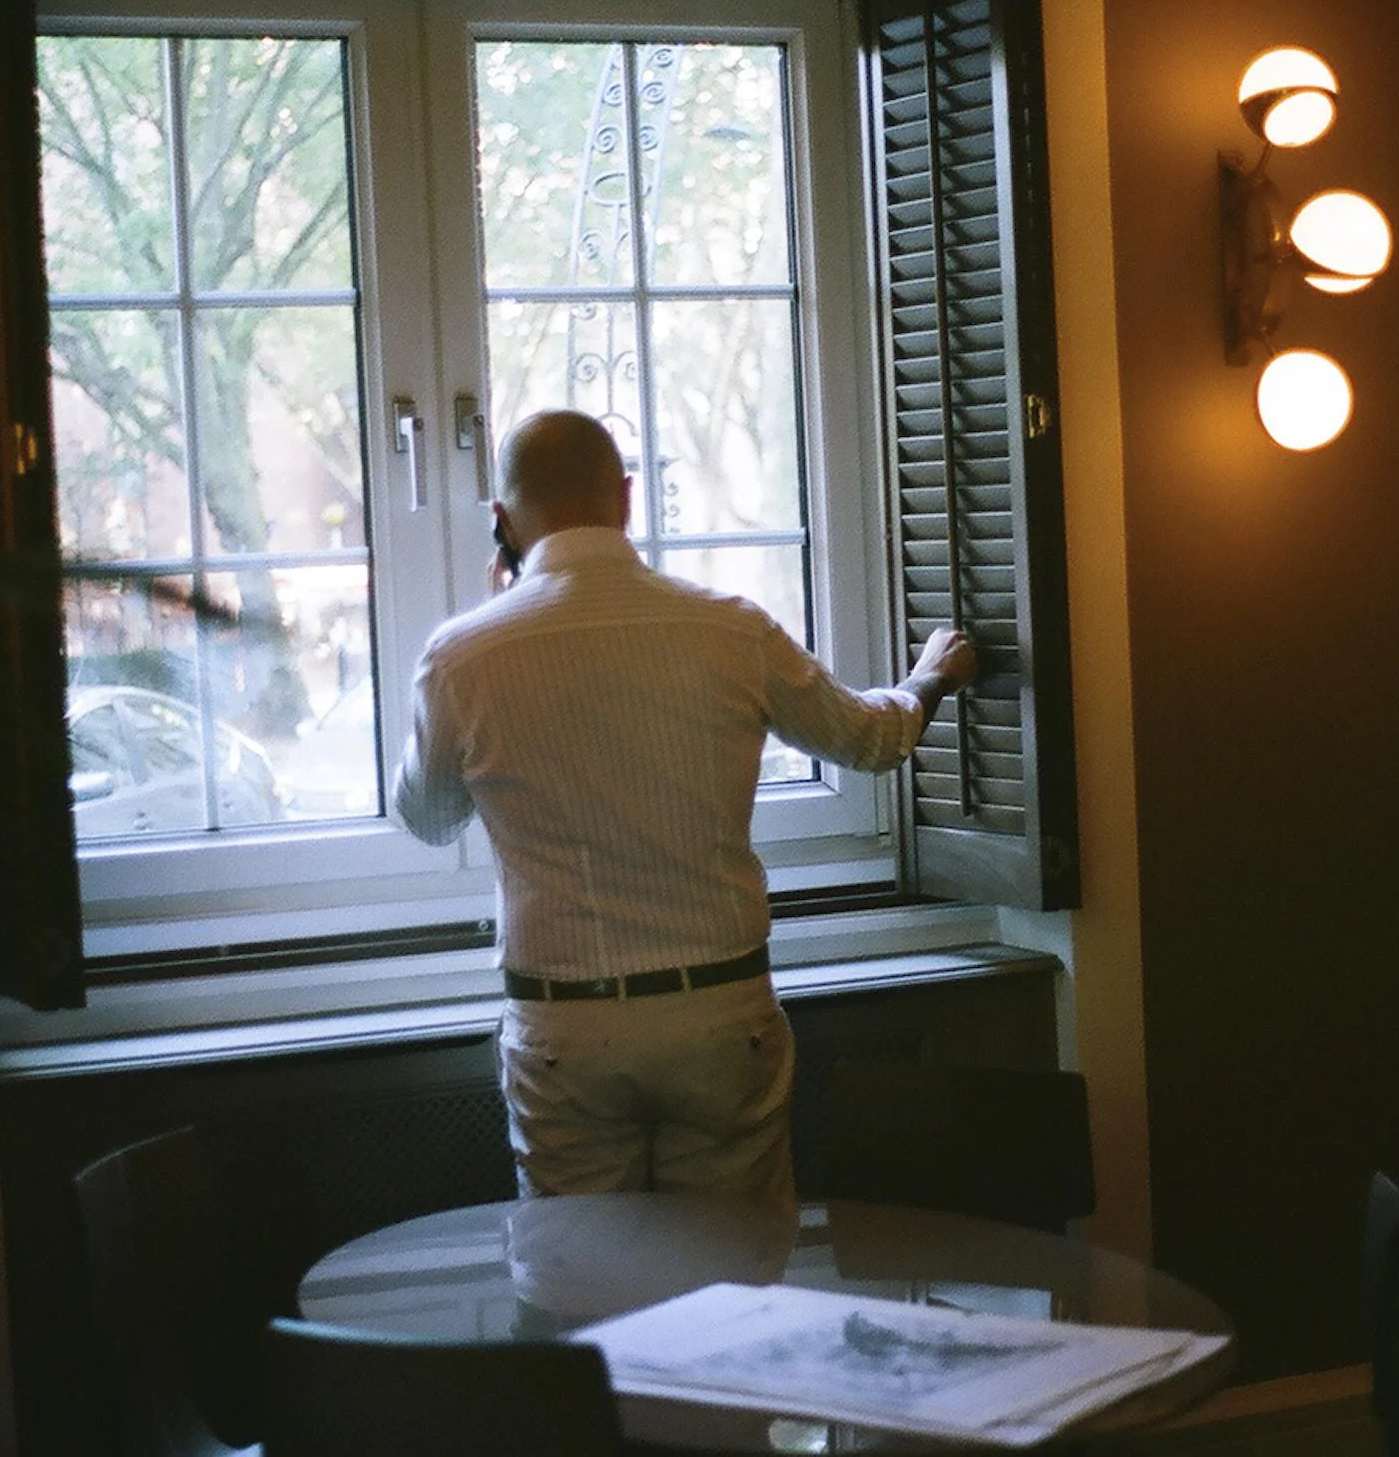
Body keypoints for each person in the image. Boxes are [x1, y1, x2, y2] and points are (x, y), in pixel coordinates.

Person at [391, 410, 976, 1201]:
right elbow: (871, 740)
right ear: (627, 498)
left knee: (580, 1262)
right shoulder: (731, 628)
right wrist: (929, 675)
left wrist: (486, 654)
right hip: (719, 1011)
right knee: (732, 1264)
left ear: (502, 520)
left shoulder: (462, 655)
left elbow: (428, 819)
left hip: (567, 1026)